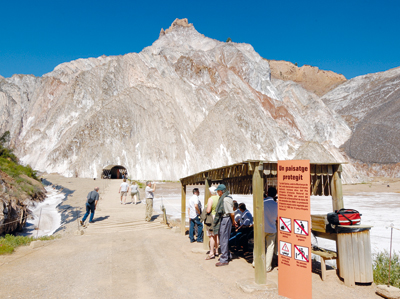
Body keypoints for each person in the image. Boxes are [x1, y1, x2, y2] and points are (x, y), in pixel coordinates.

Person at [213, 184, 237, 267]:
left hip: (226, 219)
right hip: (226, 219)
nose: (217, 193)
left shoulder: (225, 199)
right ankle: (227, 255)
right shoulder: (228, 197)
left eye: (218, 191)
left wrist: (233, 221)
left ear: (221, 191)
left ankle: (224, 259)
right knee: (224, 238)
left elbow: (232, 213)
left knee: (223, 239)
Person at [263, 187, 278, 272]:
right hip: (272, 228)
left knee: (259, 246)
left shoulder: (262, 203)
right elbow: (277, 217)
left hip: (262, 228)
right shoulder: (276, 205)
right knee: (270, 247)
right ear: (275, 195)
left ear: (267, 193)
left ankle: (255, 263)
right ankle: (267, 266)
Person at [205, 186, 219, 259]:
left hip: (212, 218)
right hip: (218, 217)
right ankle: (217, 251)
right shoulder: (219, 198)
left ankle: (211, 252)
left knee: (211, 235)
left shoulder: (211, 199)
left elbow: (208, 210)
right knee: (217, 235)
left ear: (210, 192)